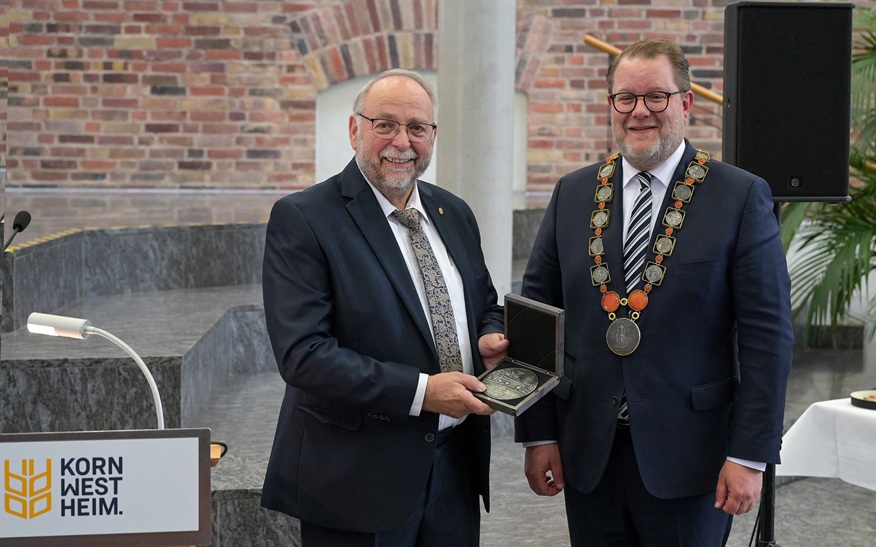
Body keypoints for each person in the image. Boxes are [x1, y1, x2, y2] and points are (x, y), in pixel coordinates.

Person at [515, 39, 793, 545]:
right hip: (588, 455)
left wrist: (749, 455)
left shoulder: (740, 196)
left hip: (695, 461)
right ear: (612, 106)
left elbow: (767, 338)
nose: (639, 111)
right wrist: (539, 433)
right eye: (626, 98)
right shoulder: (572, 193)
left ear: (686, 103)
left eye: (656, 97)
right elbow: (537, 318)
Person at [260, 68, 509, 547]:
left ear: (432, 136)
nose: (403, 141)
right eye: (385, 125)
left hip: (455, 469)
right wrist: (422, 392)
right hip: (358, 480)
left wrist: (488, 339)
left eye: (417, 128)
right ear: (355, 129)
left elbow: (484, 303)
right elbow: (304, 354)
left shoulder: (453, 211)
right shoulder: (304, 219)